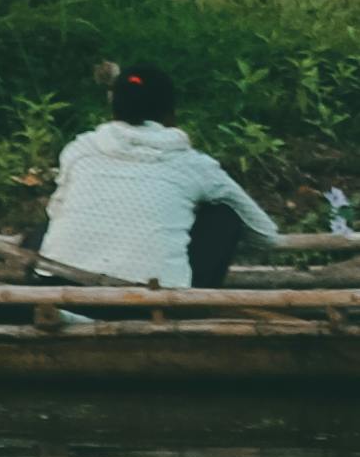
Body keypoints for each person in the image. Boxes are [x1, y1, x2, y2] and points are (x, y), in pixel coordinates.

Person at [40, 64, 277, 290]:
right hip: (150, 304)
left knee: (57, 217)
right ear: (170, 116)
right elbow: (266, 234)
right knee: (224, 217)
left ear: (113, 110)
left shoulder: (80, 149)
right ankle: (193, 301)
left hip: (59, 289)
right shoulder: (193, 164)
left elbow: (55, 213)